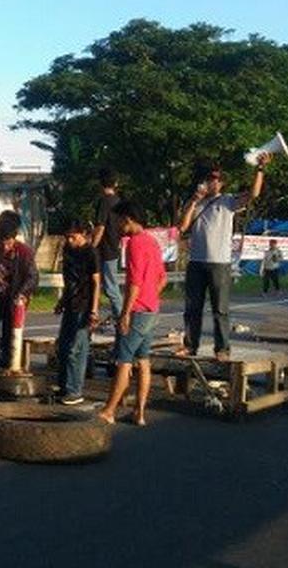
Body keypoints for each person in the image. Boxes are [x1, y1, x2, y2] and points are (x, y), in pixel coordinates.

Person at [177, 156, 267, 359]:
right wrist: (194, 200)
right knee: (192, 308)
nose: (212, 183)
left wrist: (260, 169)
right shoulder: (195, 202)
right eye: (209, 179)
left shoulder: (228, 201)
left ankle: (222, 349)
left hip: (219, 262)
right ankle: (190, 345)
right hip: (196, 261)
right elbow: (182, 226)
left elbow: (254, 194)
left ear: (221, 183)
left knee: (220, 309)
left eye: (216, 180)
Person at [98, 200, 167, 426]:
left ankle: (109, 410)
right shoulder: (152, 241)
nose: (117, 225)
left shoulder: (135, 243)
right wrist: (151, 296)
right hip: (152, 309)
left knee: (124, 361)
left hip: (137, 310)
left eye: (119, 220)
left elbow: (134, 283)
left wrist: (126, 312)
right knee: (144, 360)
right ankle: (139, 412)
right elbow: (162, 278)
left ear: (127, 219)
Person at [0, 210, 39, 374]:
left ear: (14, 238)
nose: (5, 247)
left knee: (10, 336)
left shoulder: (24, 252)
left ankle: (8, 368)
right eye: (1, 242)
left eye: (8, 243)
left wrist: (22, 294)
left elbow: (32, 277)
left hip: (14, 300)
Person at [54, 220, 101, 405]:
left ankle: (75, 390)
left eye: (73, 237)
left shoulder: (91, 252)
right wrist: (61, 301)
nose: (70, 240)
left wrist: (94, 310)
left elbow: (96, 282)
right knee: (64, 347)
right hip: (70, 302)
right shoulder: (67, 250)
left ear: (83, 234)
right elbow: (68, 281)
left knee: (77, 348)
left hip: (85, 304)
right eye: (67, 237)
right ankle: (64, 385)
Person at [91, 168, 124, 327]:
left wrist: (92, 246)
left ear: (100, 183)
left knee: (110, 288)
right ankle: (119, 316)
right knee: (109, 286)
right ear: (115, 183)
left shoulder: (104, 202)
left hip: (105, 250)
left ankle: (122, 318)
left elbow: (100, 227)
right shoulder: (118, 201)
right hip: (114, 247)